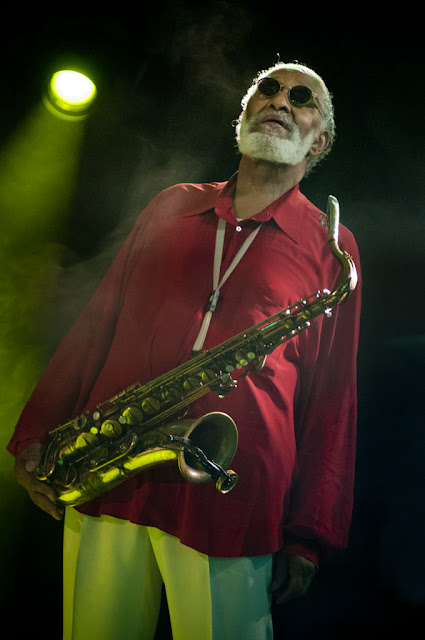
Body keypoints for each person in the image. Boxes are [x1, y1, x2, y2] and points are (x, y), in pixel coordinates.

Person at [9, 61, 361, 640]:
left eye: (302, 98)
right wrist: (39, 431)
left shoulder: (332, 247)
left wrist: (308, 533)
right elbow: (97, 324)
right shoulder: (172, 204)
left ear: (319, 140)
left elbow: (333, 403)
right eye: (267, 89)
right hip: (112, 470)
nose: (279, 100)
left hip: (234, 490)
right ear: (243, 114)